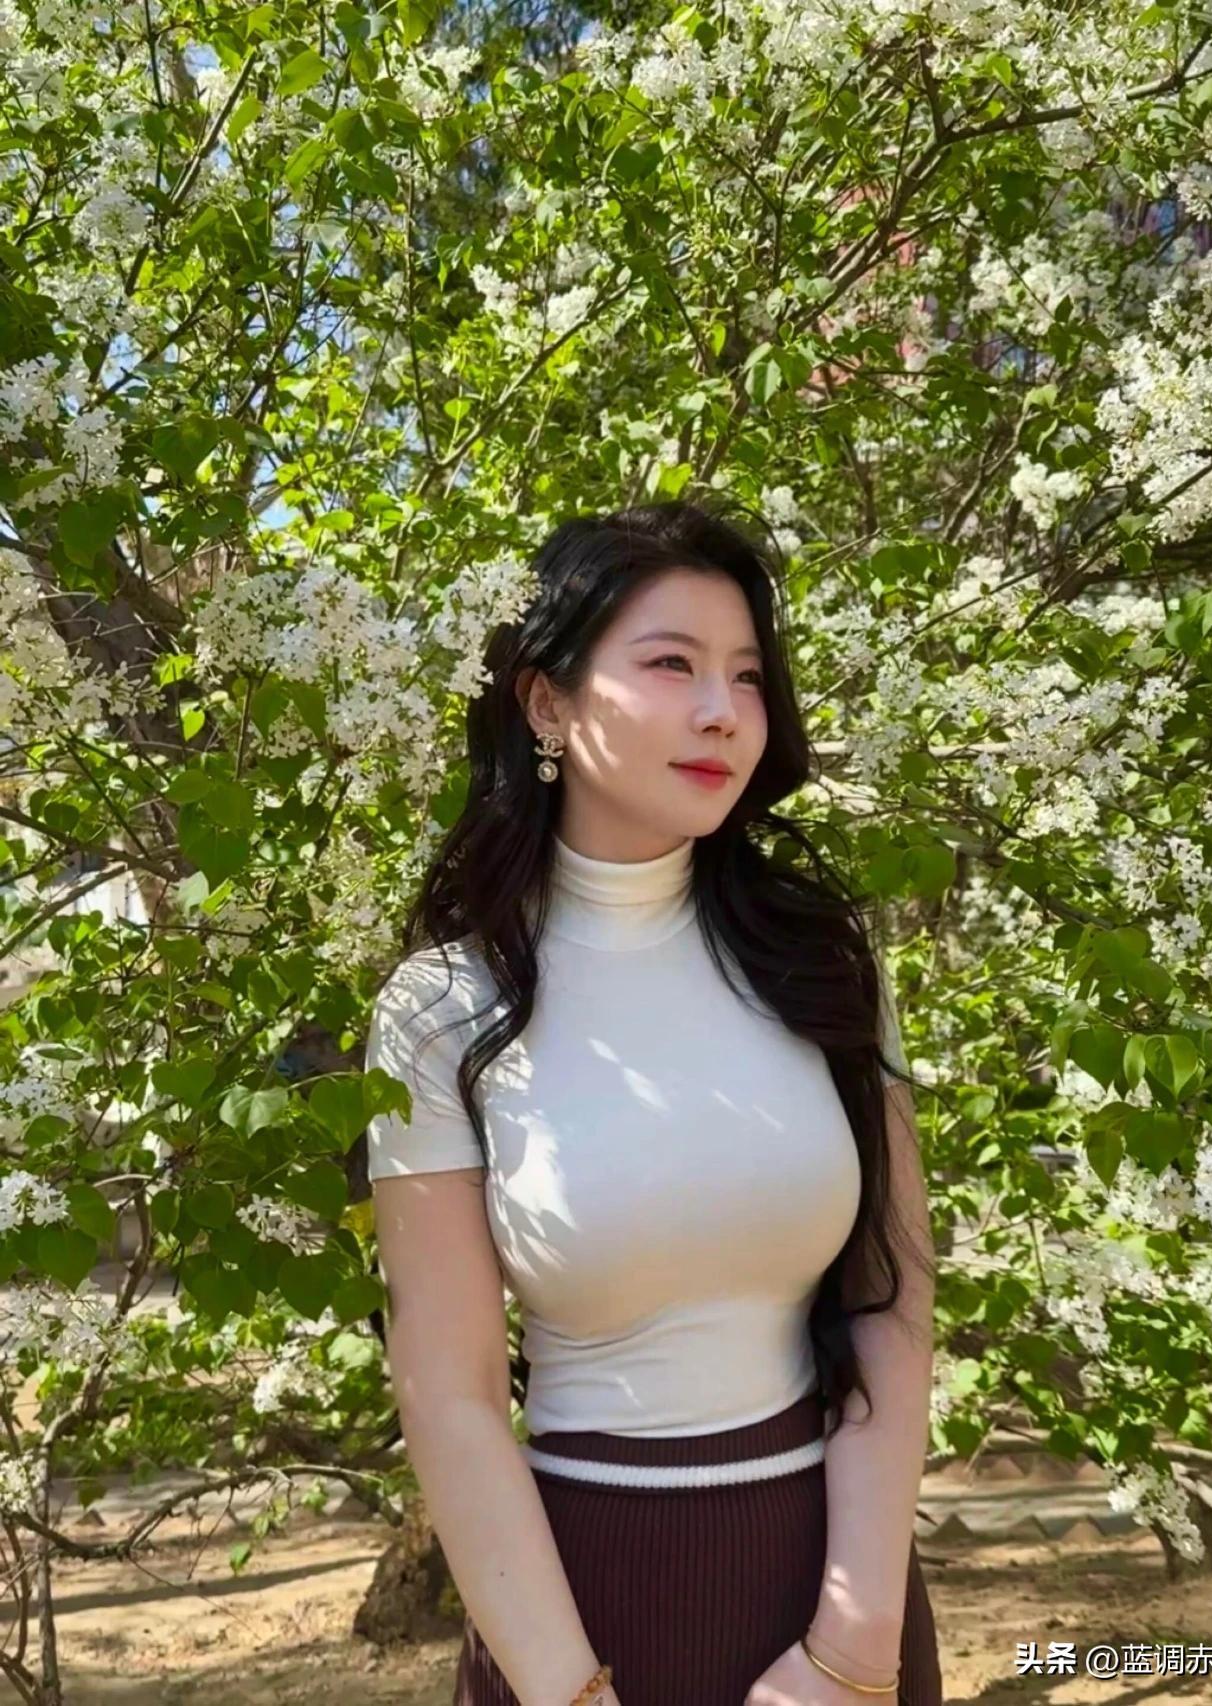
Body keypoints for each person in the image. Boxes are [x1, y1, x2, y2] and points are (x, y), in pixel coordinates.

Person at [364, 500, 944, 1706]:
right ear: (545, 702)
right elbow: (451, 1395)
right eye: (671, 664)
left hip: (838, 1602)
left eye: (746, 674)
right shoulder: (444, 1007)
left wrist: (851, 1649)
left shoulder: (819, 963)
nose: (723, 710)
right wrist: (566, 1691)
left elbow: (890, 1298)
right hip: (571, 1614)